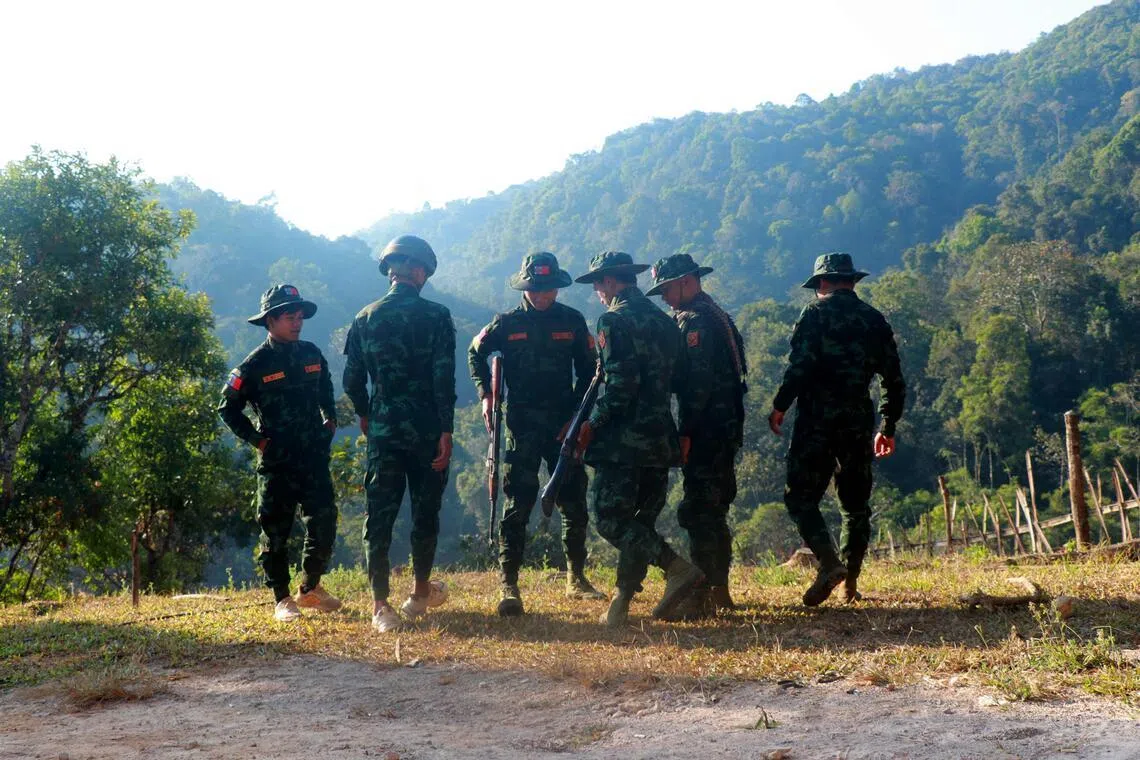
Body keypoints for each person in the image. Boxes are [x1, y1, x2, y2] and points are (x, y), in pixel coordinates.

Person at [469, 252, 606, 616]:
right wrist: (486, 395)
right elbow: (475, 353)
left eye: (549, 289)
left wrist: (577, 418)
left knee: (574, 500)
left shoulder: (573, 322)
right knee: (519, 504)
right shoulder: (506, 323)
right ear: (525, 287)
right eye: (536, 289)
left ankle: (576, 577)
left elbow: (593, 372)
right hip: (522, 426)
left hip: (564, 426)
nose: (543, 295)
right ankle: (509, 584)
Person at [573, 251, 705, 627]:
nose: (597, 291)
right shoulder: (666, 322)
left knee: (610, 519)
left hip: (622, 443)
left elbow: (620, 387)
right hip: (660, 438)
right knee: (641, 523)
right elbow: (679, 381)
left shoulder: (612, 321)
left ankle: (676, 568)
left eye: (599, 283)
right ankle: (621, 603)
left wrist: (592, 424)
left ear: (612, 282)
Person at [768, 253, 906, 606]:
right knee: (855, 504)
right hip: (858, 421)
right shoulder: (873, 319)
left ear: (823, 283)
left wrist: (780, 405)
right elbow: (893, 378)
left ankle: (829, 562)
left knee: (799, 496)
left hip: (816, 420)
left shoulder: (814, 315)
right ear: (851, 281)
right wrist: (887, 425)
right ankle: (850, 583)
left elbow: (798, 367)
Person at [343, 235, 456, 633]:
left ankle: (380, 606)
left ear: (391, 273)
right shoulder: (438, 316)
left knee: (380, 516)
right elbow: (444, 377)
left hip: (384, 429)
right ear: (420, 271)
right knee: (425, 513)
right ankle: (420, 593)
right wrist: (446, 429)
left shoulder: (364, 317)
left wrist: (365, 414)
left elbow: (353, 380)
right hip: (426, 429)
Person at [218, 284, 341, 622]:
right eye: (290, 316)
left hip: (313, 456)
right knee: (275, 531)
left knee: (325, 521)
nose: (297, 322)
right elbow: (226, 408)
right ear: (270, 321)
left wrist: (329, 418)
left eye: (300, 316)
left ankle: (310, 587)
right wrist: (258, 441)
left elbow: (326, 387)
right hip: (277, 462)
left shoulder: (312, 353)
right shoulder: (253, 365)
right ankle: (282, 599)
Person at [647, 253, 746, 613]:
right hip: (725, 426)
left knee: (700, 510)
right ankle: (719, 590)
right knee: (713, 508)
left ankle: (704, 593)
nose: (664, 297)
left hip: (706, 429)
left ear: (687, 282)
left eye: (667, 289)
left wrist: (685, 432)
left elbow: (696, 386)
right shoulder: (716, 316)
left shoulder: (696, 325)